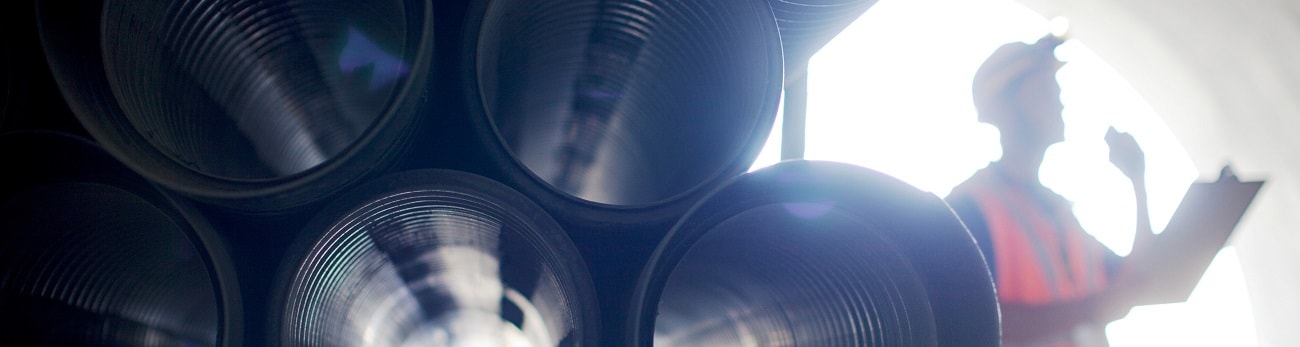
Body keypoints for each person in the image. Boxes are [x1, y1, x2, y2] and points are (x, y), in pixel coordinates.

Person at [946, 35, 1154, 347]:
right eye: (1045, 92)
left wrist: (1138, 181)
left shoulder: (1057, 213)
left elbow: (1135, 283)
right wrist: (1087, 310)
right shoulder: (970, 208)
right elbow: (967, 321)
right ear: (1002, 110)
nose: (1059, 101)